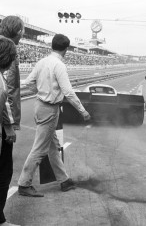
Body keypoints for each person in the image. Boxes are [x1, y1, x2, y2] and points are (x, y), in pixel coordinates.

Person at [18, 34, 91, 197]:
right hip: (50, 109)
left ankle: (63, 180)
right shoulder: (59, 65)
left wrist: (39, 93)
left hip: (40, 106)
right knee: (40, 148)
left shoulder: (42, 62)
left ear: (52, 46)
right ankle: (24, 183)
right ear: (66, 49)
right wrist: (82, 110)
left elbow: (28, 82)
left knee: (52, 146)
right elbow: (68, 92)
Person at [0, 16, 26, 226]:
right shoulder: (8, 49)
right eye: (23, 30)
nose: (24, 34)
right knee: (4, 169)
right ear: (17, 31)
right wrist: (9, 125)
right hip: (2, 120)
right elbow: (5, 90)